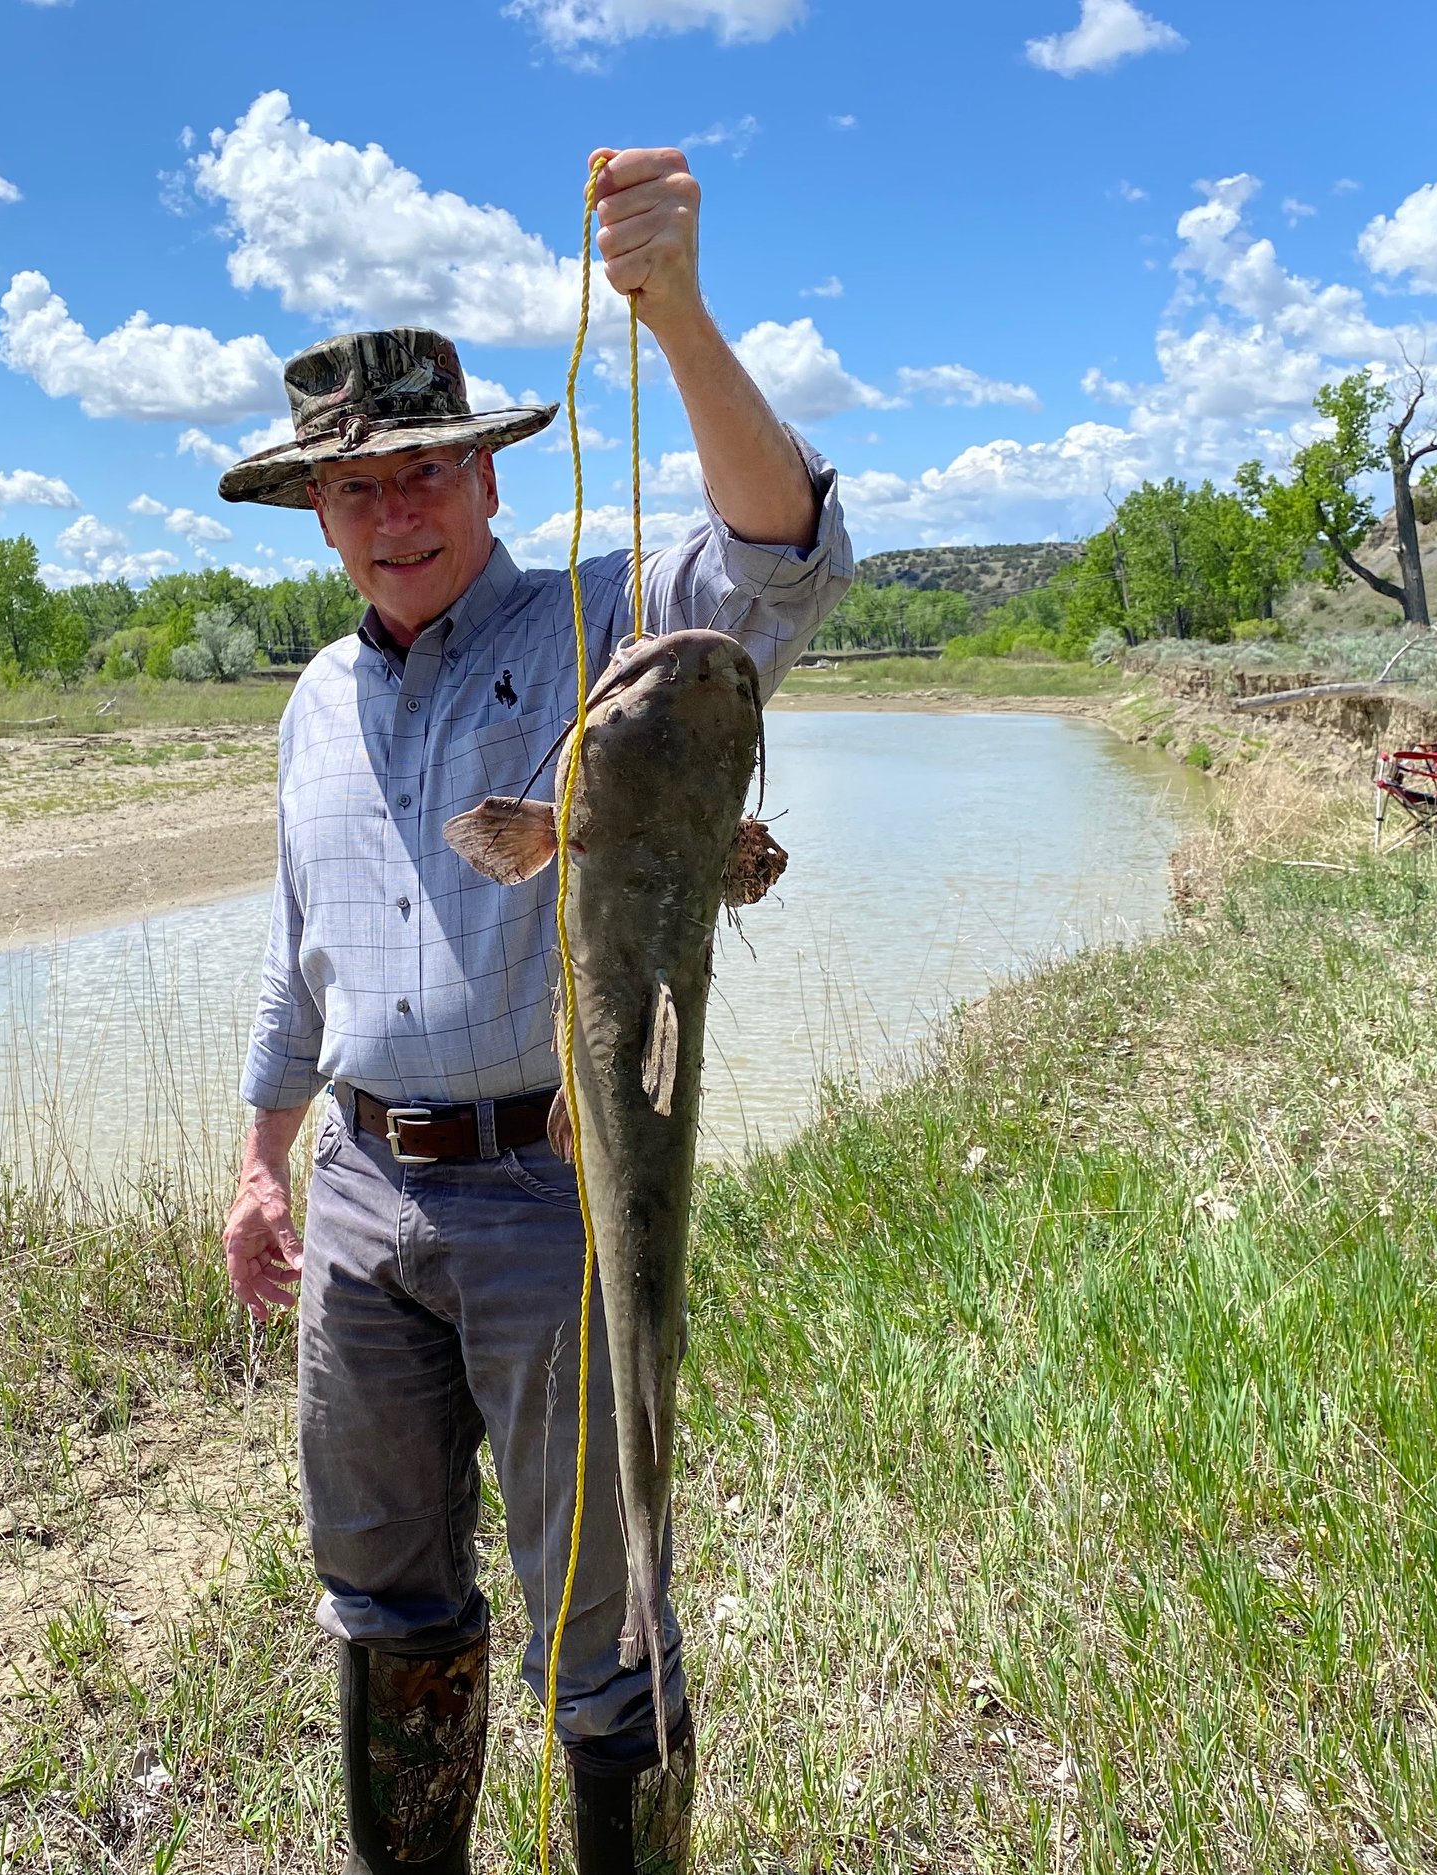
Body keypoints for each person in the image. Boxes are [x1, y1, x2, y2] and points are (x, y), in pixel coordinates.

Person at [214, 146, 852, 1874]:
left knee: (607, 1604)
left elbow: (779, 565)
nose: (396, 511)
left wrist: (681, 317)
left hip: (549, 1195)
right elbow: (299, 950)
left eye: (427, 471)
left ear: (488, 482)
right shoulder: (309, 707)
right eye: (358, 491)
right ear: (319, 517)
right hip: (360, 1197)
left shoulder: (600, 626)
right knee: (381, 1588)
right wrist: (267, 1162)